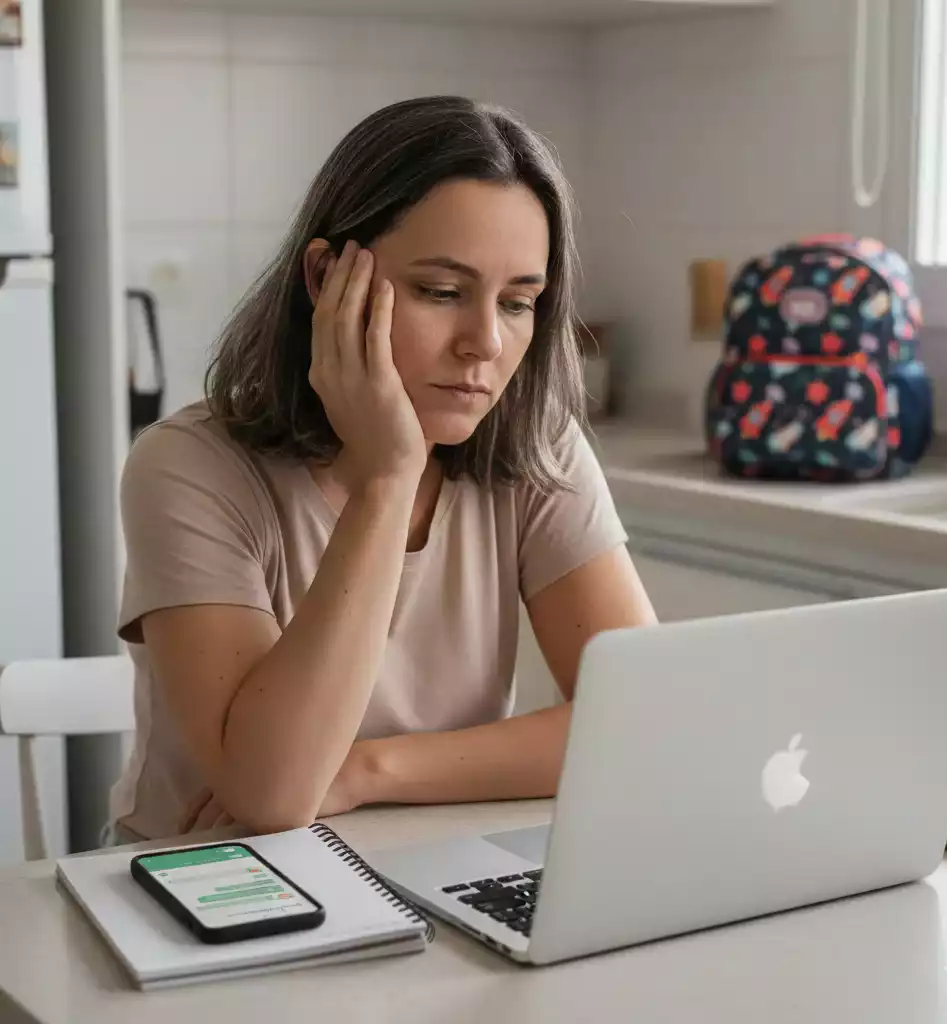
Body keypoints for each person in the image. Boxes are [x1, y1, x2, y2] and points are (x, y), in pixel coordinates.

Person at [109, 95, 656, 843]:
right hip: (212, 885)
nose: (486, 343)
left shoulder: (535, 443)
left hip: (435, 858)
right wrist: (389, 476)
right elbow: (273, 795)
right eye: (441, 292)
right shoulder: (189, 466)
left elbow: (641, 719)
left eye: (520, 302)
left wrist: (369, 770)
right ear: (328, 276)